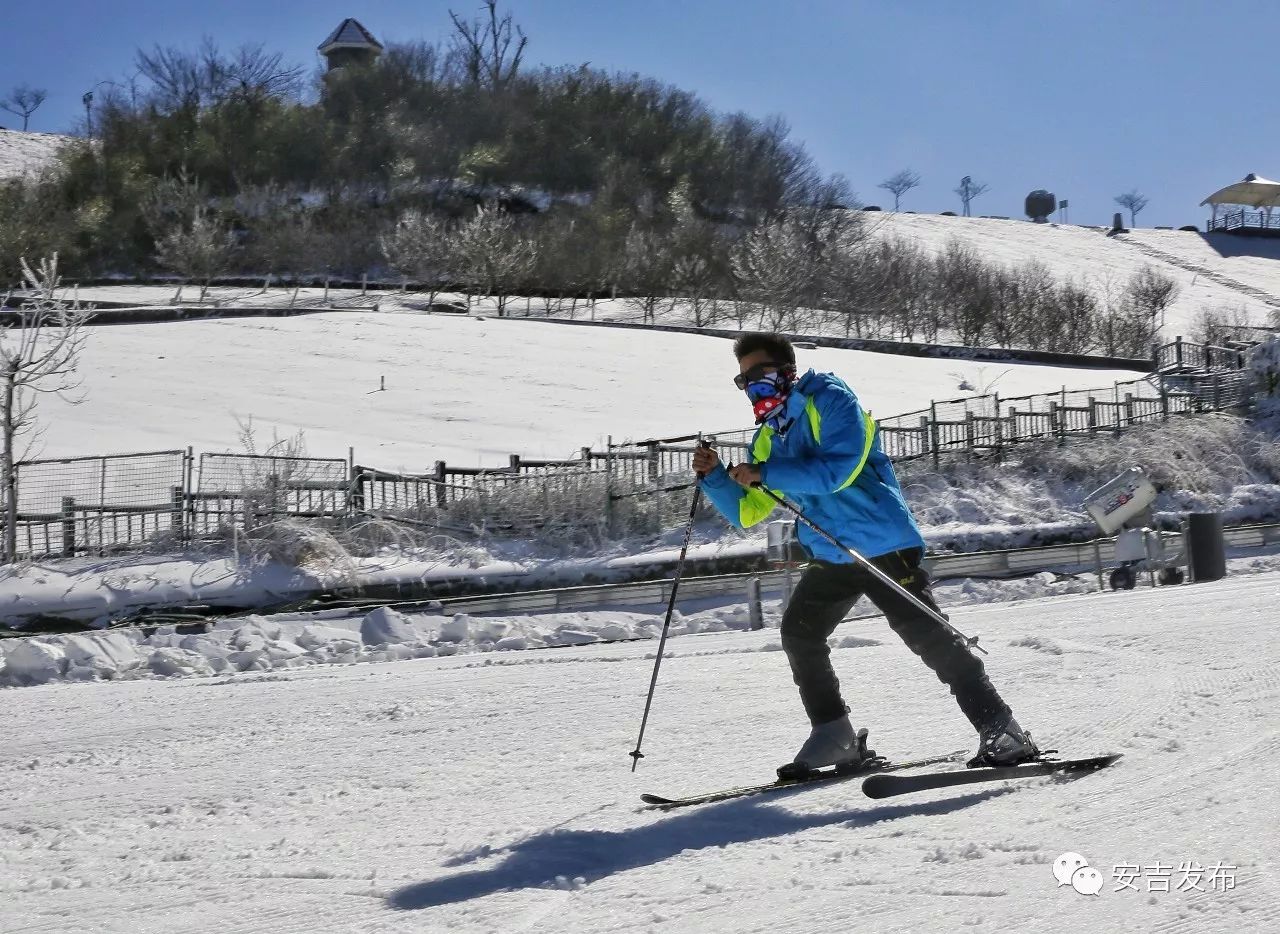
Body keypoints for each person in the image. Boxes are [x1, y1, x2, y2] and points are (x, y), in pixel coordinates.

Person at [692, 332, 1039, 778]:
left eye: (759, 377)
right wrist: (717, 477)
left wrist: (765, 471)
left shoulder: (830, 400)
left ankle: (1003, 731)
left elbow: (840, 469)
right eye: (744, 383)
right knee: (800, 634)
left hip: (881, 543)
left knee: (930, 639)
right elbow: (748, 510)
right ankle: (834, 736)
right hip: (833, 554)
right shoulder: (767, 438)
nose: (753, 390)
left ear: (787, 372)